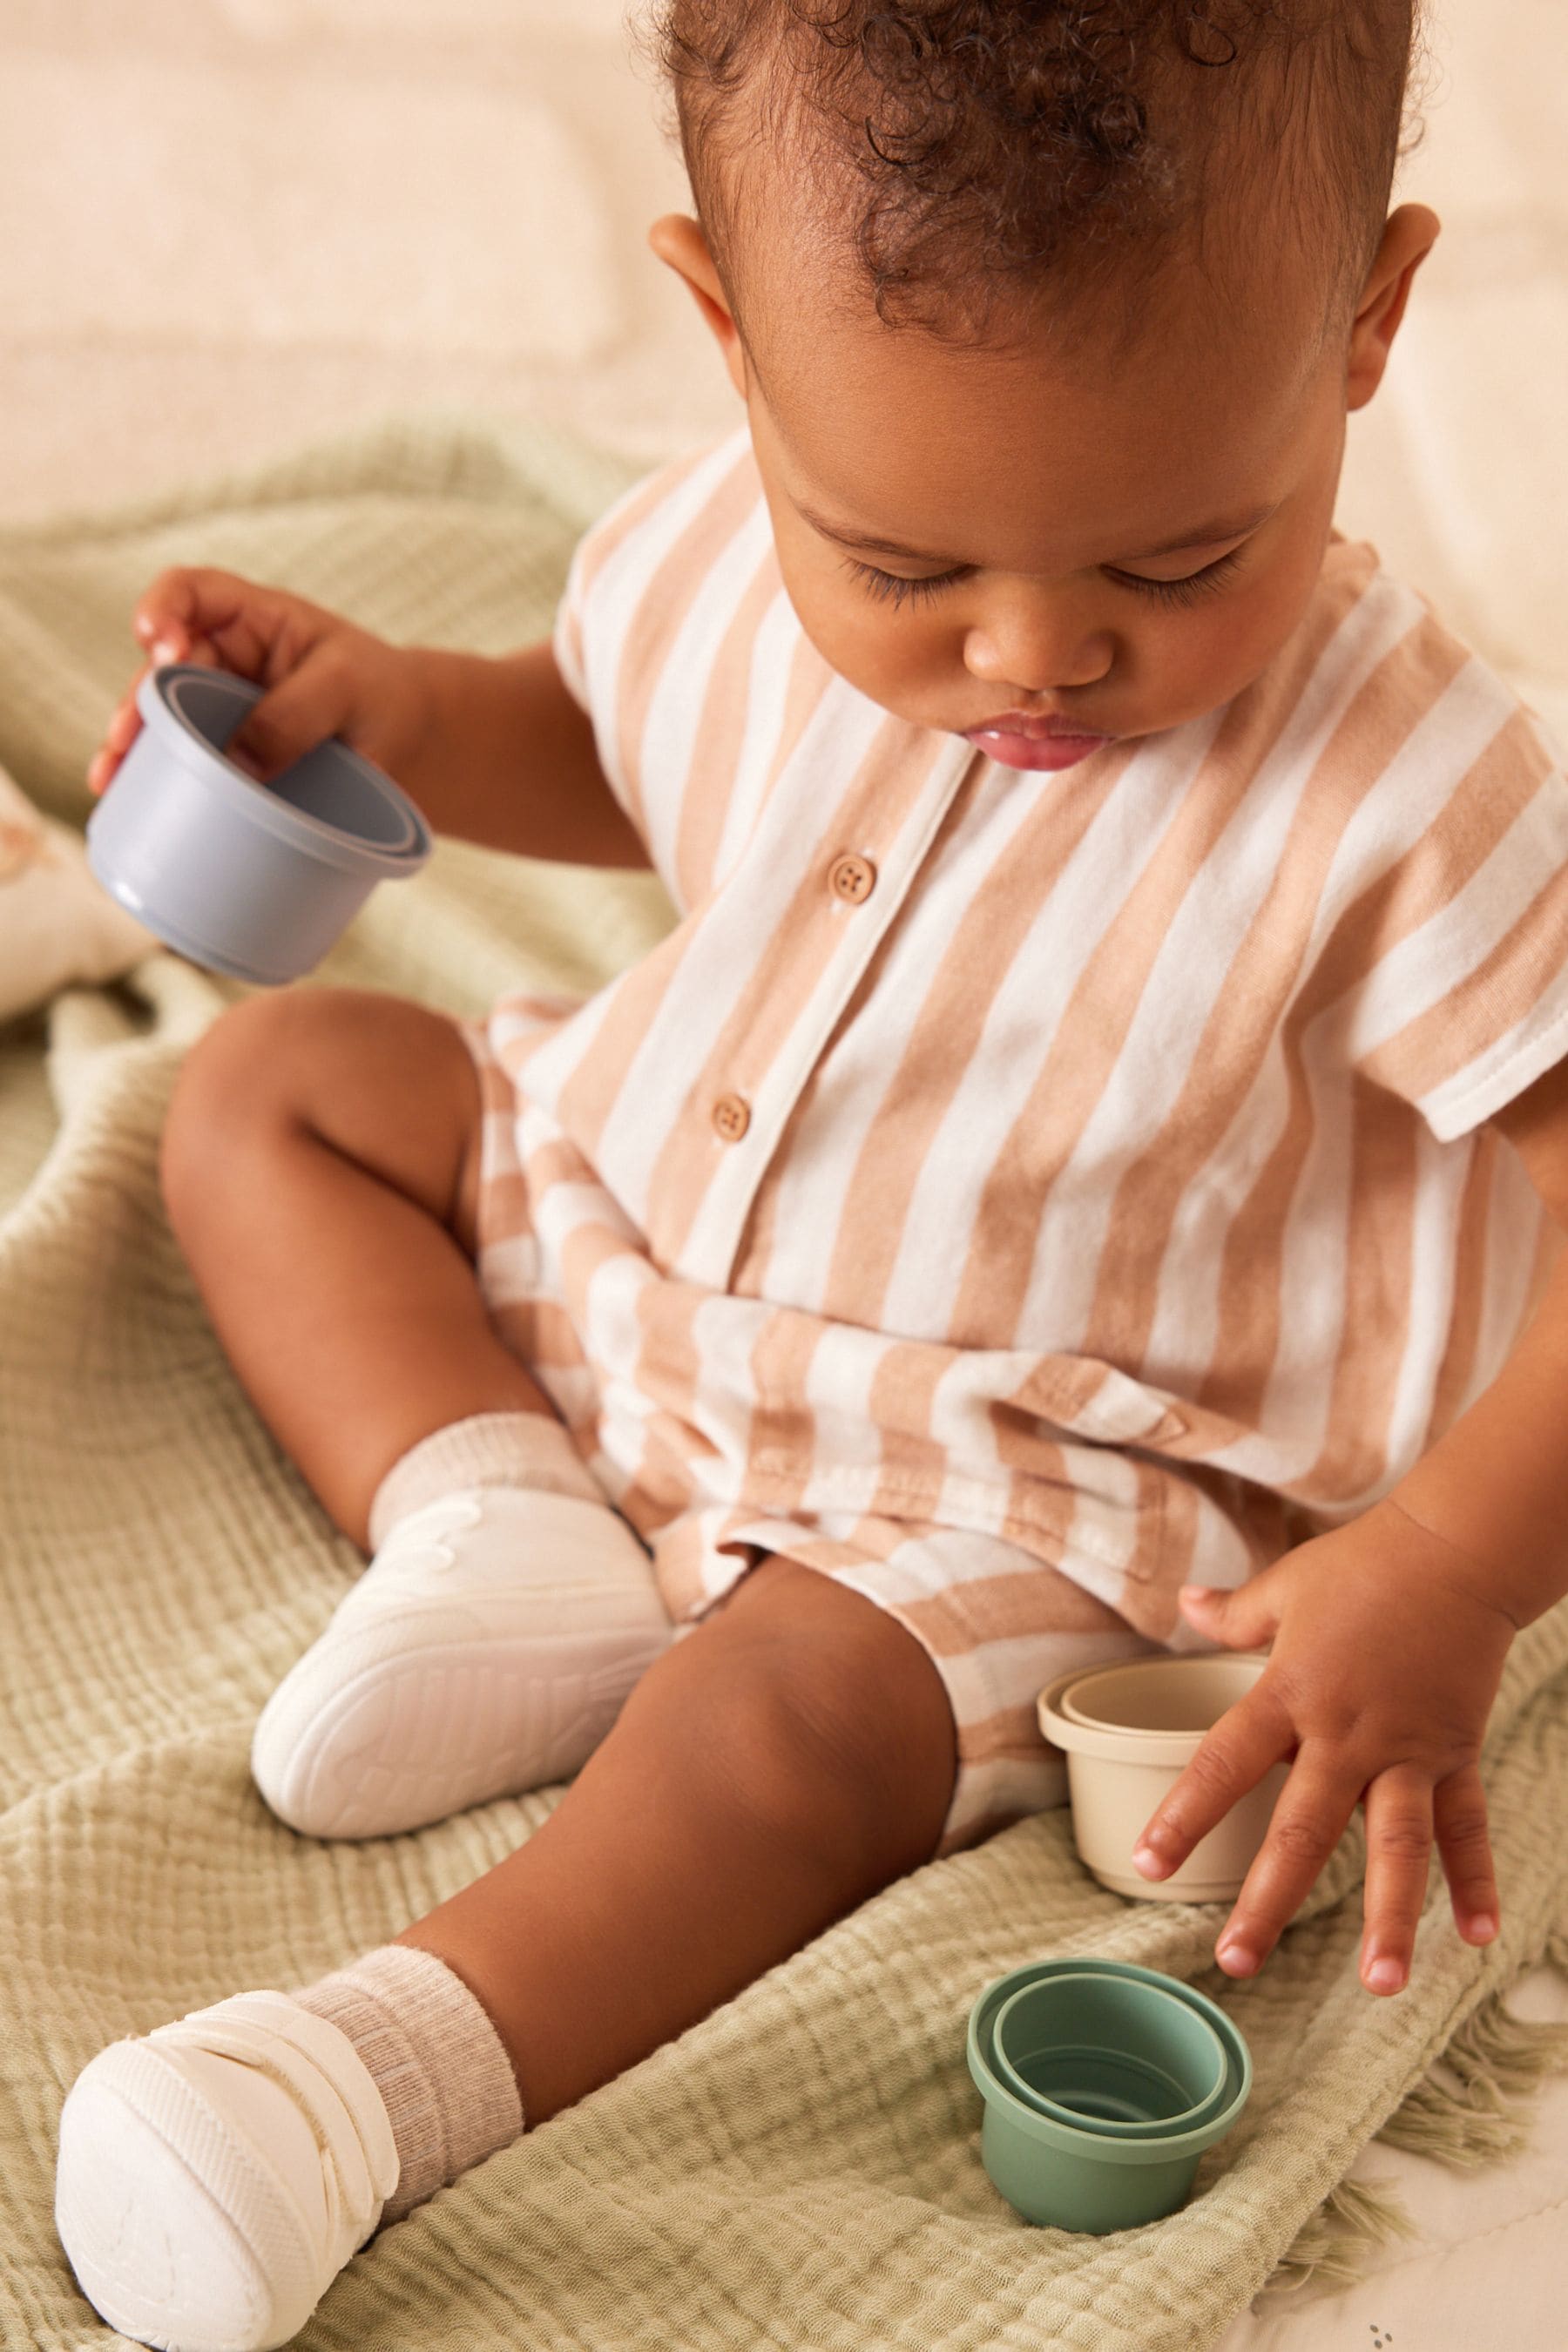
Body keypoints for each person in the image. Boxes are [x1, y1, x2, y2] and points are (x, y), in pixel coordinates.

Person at [54, 3, 1568, 2347]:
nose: (1034, 653)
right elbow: (606, 739)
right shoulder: (722, 543)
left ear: (1364, 324)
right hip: (646, 1217)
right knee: (276, 1089)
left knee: (772, 1731)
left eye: (1182, 555)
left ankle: (350, 2081)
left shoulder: (1421, 788)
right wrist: (389, 708)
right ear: (730, 336)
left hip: (1021, 1452)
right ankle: (496, 1519)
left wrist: (1452, 1564)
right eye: (902, 566)